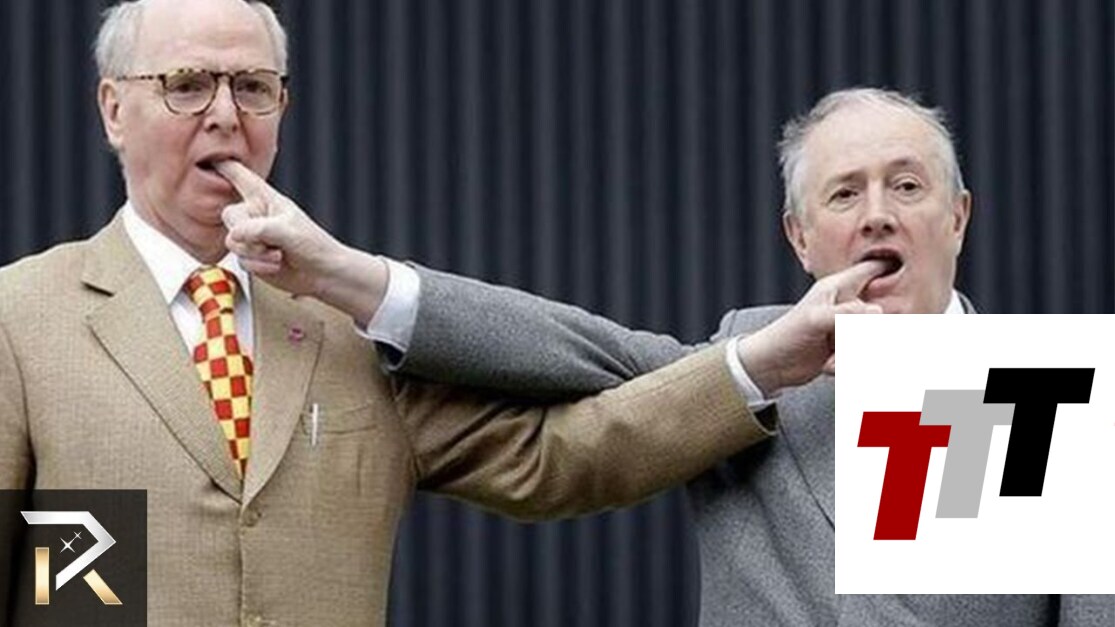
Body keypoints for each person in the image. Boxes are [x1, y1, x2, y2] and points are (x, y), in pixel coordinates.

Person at [0, 2, 884, 625]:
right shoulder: (21, 316)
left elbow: (564, 456)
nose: (225, 115)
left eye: (254, 87)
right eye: (188, 84)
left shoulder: (343, 324)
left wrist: (762, 363)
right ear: (113, 109)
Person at [227, 88, 1113, 625]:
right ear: (800, 238)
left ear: (956, 216)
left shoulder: (1042, 392)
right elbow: (577, 348)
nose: (877, 213)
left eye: (906, 185)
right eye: (844, 194)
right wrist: (346, 275)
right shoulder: (759, 355)